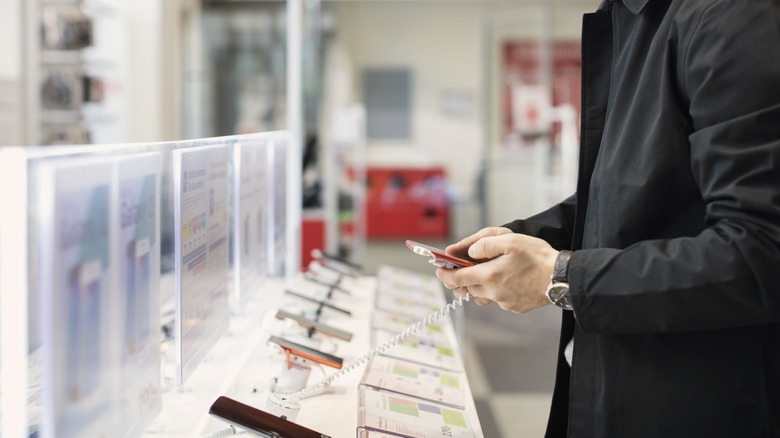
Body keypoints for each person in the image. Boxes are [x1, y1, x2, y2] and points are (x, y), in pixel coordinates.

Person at [435, 0, 780, 437]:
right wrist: (526, 237)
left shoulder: (729, 16)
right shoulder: (632, 17)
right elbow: (626, 193)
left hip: (696, 401)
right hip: (611, 380)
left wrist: (561, 277)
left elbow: (760, 250)